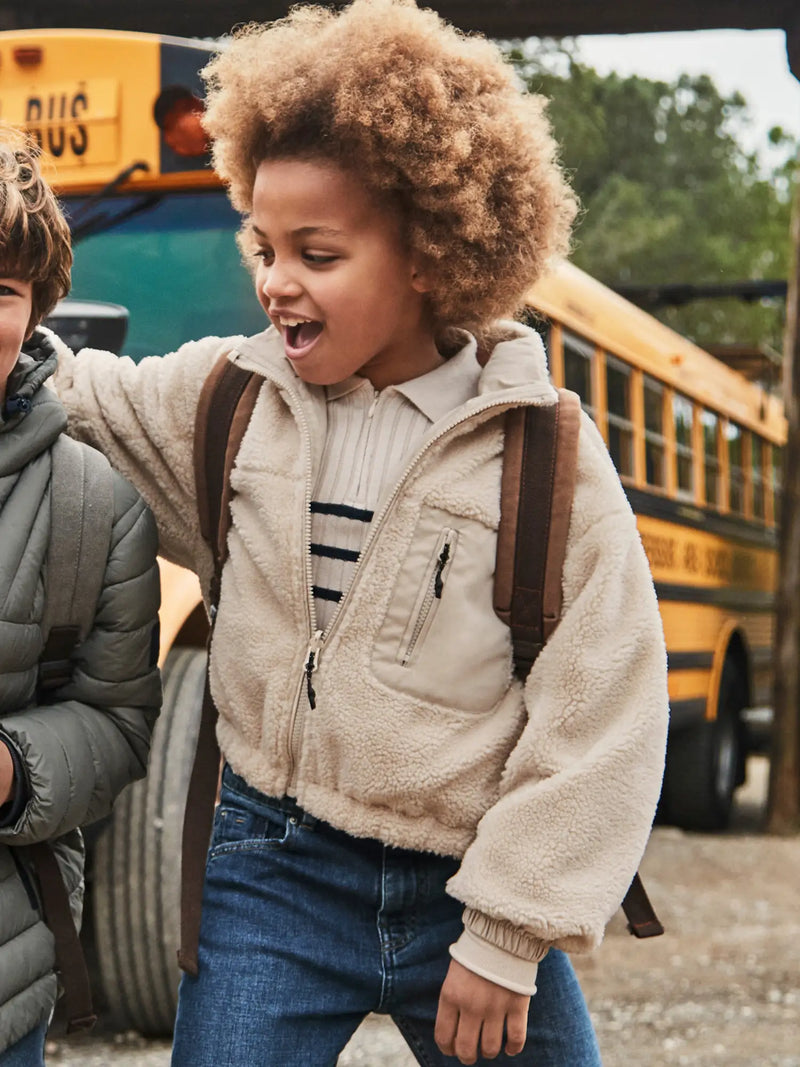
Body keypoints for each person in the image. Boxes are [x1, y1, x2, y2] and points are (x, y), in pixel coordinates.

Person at [52, 1, 669, 1064]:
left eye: (317, 253)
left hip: (466, 881)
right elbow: (81, 395)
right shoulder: (230, 399)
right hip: (270, 869)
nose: (274, 280)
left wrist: (509, 931)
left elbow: (605, 705)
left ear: (430, 254)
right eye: (263, 245)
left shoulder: (541, 455)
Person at [0, 128, 162, 1064]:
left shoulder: (95, 505)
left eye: (0, 290)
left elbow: (118, 722)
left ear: (38, 308)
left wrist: (13, 770)